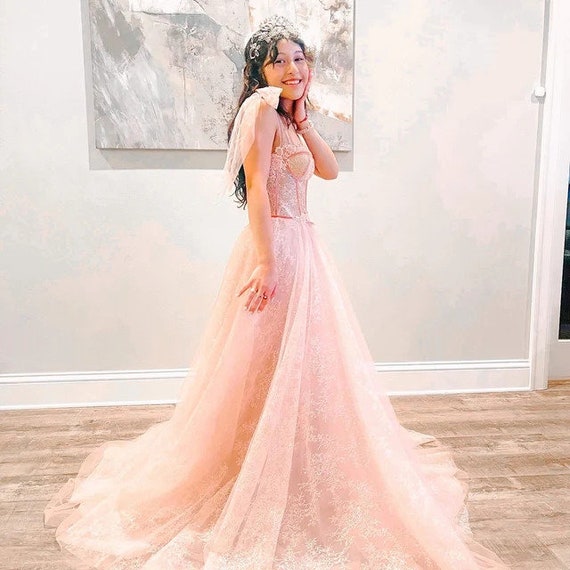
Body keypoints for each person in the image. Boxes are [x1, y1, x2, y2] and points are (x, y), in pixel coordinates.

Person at [44, 16, 510, 569]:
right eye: (279, 60)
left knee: (306, 362)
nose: (293, 69)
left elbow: (329, 171)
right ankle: (254, 463)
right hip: (277, 247)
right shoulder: (262, 111)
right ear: (260, 71)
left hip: (304, 247)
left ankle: (294, 457)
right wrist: (266, 262)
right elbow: (260, 190)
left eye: (299, 58)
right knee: (264, 360)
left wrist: (305, 119)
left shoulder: (288, 117)